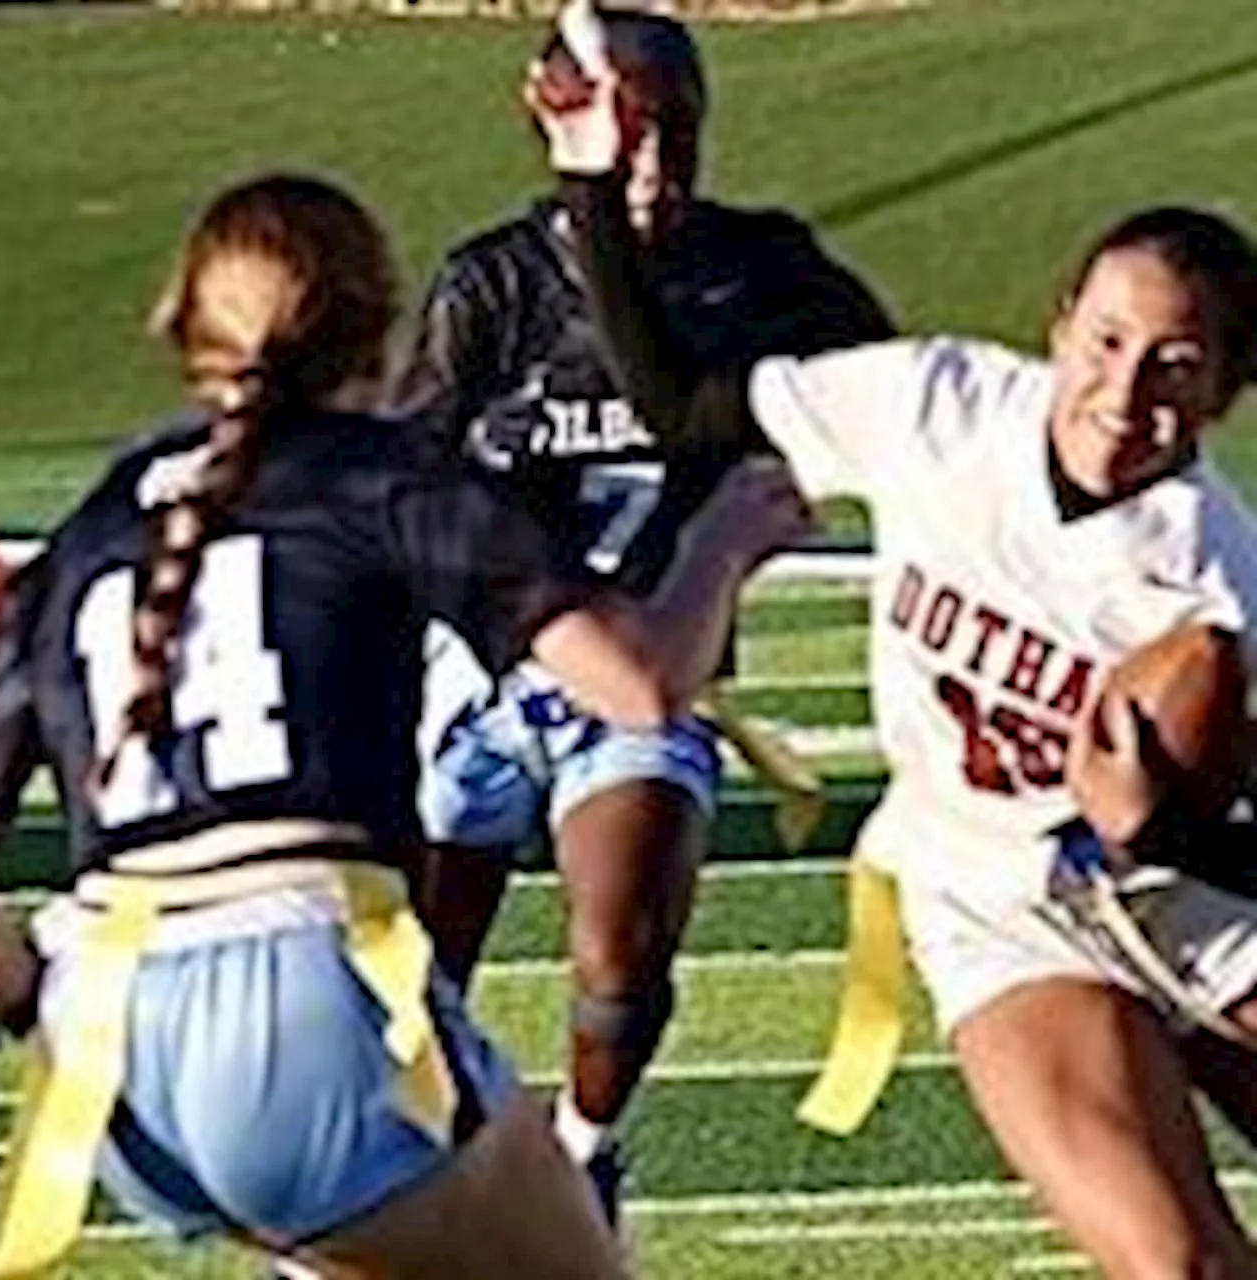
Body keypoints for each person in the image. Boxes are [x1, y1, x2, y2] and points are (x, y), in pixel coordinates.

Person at [0, 173, 808, 1280]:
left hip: (109, 1045)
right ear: (373, 332)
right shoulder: (383, 476)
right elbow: (642, 684)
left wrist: (32, 997)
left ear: (185, 328)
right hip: (302, 1005)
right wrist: (725, 540)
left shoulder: (93, 524)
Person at [527, 47, 1257, 1278]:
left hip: (1210, 914)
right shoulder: (938, 407)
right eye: (1107, 336)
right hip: (1001, 912)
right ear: (1058, 323)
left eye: (1173, 363)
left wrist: (1165, 830)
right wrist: (591, 186)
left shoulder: (1215, 577)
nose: (1120, 388)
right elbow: (682, 402)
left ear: (1225, 394)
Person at [394, 6, 894, 1213]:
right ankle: (390, 1183)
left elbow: (897, 397)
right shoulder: (495, 285)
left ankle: (578, 1154)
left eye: (678, 130)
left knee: (618, 957)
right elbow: (398, 481)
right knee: (411, 978)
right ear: (554, 115)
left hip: (647, 677)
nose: (658, 166)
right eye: (631, 132)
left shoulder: (765, 271)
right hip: (476, 679)